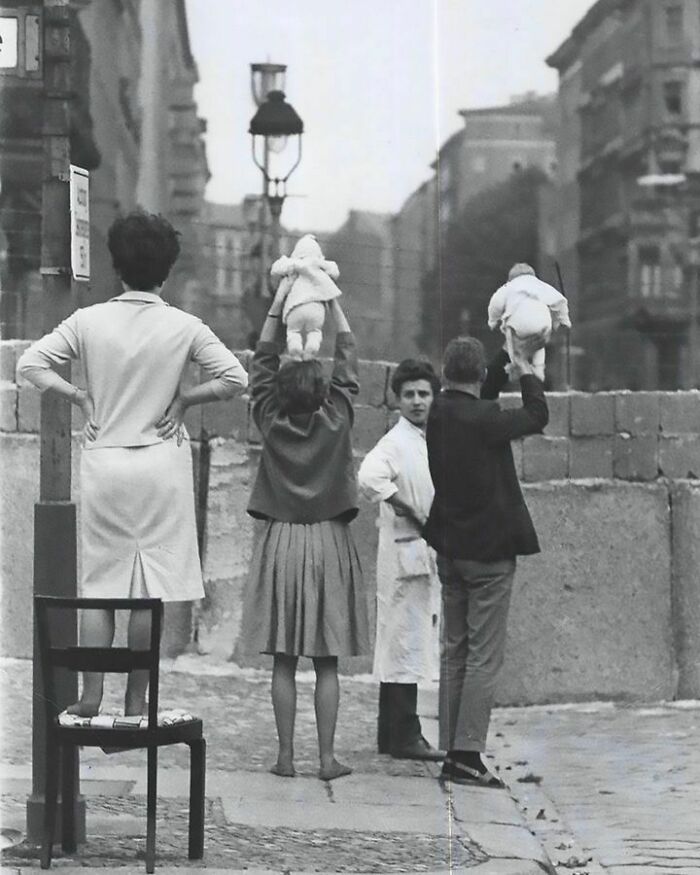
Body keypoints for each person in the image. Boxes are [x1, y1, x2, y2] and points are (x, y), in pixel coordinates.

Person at [17, 211, 248, 718]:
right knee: (151, 588)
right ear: (167, 270)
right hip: (162, 462)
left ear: (116, 265)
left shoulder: (88, 321)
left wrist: (79, 396)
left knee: (101, 584)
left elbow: (29, 363)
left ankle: (92, 694)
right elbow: (235, 378)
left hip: (106, 461)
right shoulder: (185, 326)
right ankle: (137, 699)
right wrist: (185, 400)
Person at [240, 284, 369, 782]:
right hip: (328, 541)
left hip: (281, 540)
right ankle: (327, 759)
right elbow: (348, 361)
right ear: (323, 393)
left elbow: (261, 365)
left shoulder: (269, 420)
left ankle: (286, 757)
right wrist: (332, 299)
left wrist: (278, 305)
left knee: (284, 661)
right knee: (327, 661)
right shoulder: (337, 420)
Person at [423, 334, 548, 787]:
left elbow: (481, 390)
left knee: (454, 651)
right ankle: (469, 754)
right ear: (477, 376)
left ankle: (453, 750)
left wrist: (509, 350)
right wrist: (529, 371)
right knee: (483, 658)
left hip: (450, 550)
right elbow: (538, 415)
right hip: (489, 555)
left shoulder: (437, 412)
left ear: (443, 375)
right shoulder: (485, 419)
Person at [358, 359, 444, 761]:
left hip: (421, 552)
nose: (416, 401)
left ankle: (391, 735)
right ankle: (405, 734)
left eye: (423, 394)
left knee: (407, 642)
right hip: (403, 551)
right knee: (403, 643)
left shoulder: (429, 440)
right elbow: (369, 476)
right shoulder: (396, 441)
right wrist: (406, 505)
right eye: (408, 394)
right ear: (397, 399)